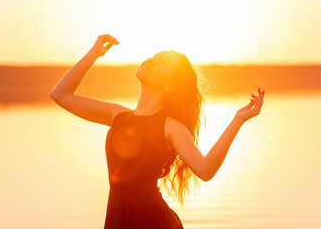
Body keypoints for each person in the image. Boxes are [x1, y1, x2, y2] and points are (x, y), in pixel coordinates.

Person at [50, 34, 265, 229]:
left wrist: (238, 120)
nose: (150, 60)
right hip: (117, 220)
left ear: (169, 86)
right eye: (153, 56)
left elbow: (205, 170)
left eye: (161, 63)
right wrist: (94, 53)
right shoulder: (118, 116)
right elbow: (60, 95)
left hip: (153, 222)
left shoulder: (170, 128)